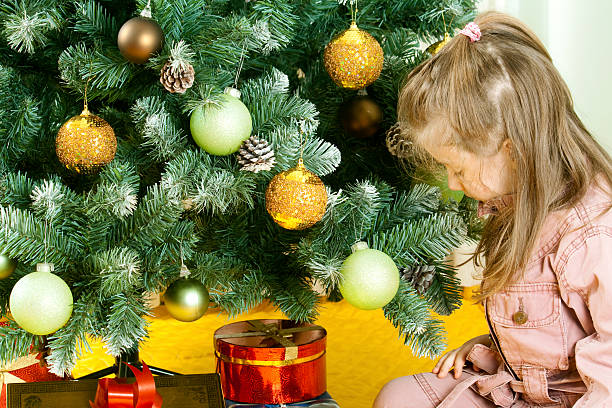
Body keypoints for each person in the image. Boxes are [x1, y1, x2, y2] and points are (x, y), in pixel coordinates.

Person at [374, 11, 612, 408]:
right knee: (398, 398)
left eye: (458, 169)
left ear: (514, 154)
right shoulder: (514, 199)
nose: (451, 183)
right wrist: (488, 345)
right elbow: (552, 326)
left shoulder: (595, 237)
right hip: (519, 390)